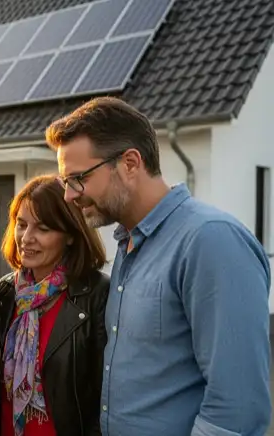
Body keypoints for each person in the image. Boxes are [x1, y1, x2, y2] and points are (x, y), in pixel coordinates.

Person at [49, 96, 271, 435]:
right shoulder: (129, 243)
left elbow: (237, 407)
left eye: (78, 178)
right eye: (66, 182)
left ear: (130, 163)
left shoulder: (210, 241)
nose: (69, 195)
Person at [0, 174, 110, 436]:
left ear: (70, 234)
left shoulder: (96, 294)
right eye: (21, 224)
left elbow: (104, 400)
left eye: (43, 229)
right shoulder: (7, 292)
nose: (26, 238)